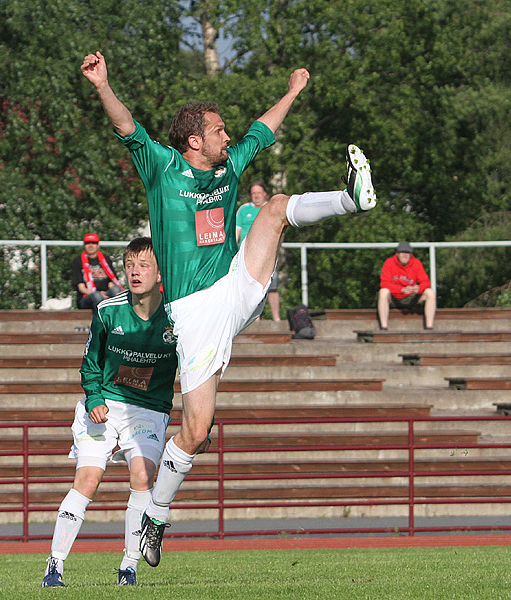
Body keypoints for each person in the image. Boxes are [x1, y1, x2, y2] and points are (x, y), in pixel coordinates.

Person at [81, 51, 376, 567]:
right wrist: (103, 84)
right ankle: (157, 516)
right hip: (194, 312)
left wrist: (293, 91)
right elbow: (128, 127)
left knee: (277, 207)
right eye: (219, 130)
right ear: (194, 139)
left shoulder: (229, 165)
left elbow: (263, 130)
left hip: (232, 287)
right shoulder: (164, 167)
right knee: (196, 431)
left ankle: (352, 198)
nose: (228, 137)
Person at [42, 237, 178, 587]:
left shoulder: (178, 318)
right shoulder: (107, 311)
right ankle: (54, 566)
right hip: (106, 402)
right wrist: (94, 398)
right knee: (88, 479)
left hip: (148, 410)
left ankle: (128, 567)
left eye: (144, 265)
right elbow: (89, 365)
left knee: (143, 476)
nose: (135, 271)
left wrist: (201, 423)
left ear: (159, 271)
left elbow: (196, 372)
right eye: (130, 264)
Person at [236, 180, 281, 321]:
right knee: (249, 288)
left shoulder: (271, 208)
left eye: (258, 193)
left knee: (272, 287)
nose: (256, 196)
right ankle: (255, 319)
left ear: (265, 193)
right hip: (247, 255)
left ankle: (277, 319)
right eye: (253, 193)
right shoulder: (244, 209)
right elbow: (236, 232)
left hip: (268, 254)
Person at [377, 241, 435, 330]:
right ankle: (384, 327)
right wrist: (401, 289)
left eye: (407, 252)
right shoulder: (389, 263)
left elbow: (426, 282)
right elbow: (384, 283)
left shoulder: (416, 263)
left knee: (430, 292)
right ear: (397, 254)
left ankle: (429, 327)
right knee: (383, 292)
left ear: (411, 254)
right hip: (395, 297)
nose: (405, 255)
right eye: (402, 252)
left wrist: (419, 288)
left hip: (412, 297)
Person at [70, 232, 123, 310]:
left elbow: (111, 282)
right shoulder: (78, 261)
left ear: (98, 245)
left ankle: (119, 319)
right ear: (84, 245)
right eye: (88, 243)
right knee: (97, 296)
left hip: (105, 293)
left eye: (94, 243)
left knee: (117, 290)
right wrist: (97, 294)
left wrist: (113, 292)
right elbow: (81, 287)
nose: (91, 245)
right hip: (87, 296)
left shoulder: (106, 259)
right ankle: (100, 321)